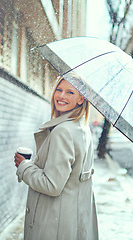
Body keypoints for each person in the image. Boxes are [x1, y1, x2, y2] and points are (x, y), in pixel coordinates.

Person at [14, 77, 98, 240]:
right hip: (73, 222)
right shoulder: (82, 128)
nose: (61, 96)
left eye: (70, 92)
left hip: (53, 224)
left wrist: (24, 166)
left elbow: (52, 185)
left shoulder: (63, 132)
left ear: (81, 99)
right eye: (59, 90)